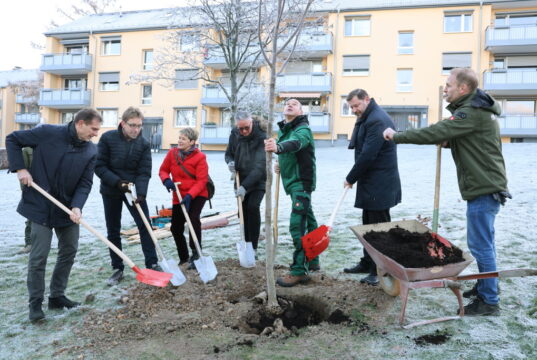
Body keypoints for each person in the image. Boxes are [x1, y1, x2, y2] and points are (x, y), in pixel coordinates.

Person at [383, 67, 509, 316]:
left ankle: (489, 301)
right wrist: (451, 141)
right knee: (486, 245)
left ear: (463, 88)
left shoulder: (471, 112)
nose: (445, 88)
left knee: (481, 246)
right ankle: (486, 286)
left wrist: (397, 136)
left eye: (449, 84)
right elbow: (470, 140)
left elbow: (436, 131)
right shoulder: (476, 111)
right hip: (485, 187)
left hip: (484, 189)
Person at [6, 108, 101, 323]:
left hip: (66, 208)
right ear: (80, 123)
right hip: (39, 205)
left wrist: (77, 206)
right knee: (39, 256)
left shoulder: (90, 151)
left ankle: (57, 296)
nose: (95, 133)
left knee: (69, 250)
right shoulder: (48, 133)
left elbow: (85, 183)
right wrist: (20, 168)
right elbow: (12, 139)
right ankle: (35, 305)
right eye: (93, 129)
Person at [342, 89, 402, 286]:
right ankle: (368, 262)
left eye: (356, 105)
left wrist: (351, 178)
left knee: (380, 229)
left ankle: (381, 270)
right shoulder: (367, 116)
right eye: (351, 107)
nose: (353, 110)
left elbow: (368, 154)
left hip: (380, 183)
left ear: (367, 99)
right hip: (371, 182)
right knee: (368, 226)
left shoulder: (377, 120)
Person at [95, 107, 160, 286]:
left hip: (133, 191)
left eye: (139, 126)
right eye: (132, 125)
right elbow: (99, 166)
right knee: (113, 229)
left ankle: (152, 263)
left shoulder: (143, 143)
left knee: (145, 225)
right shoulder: (107, 139)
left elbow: (144, 171)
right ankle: (117, 267)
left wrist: (141, 192)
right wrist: (117, 182)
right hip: (111, 189)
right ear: (123, 123)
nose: (136, 130)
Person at [265, 98, 319, 287]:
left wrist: (278, 147)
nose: (289, 104)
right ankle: (313, 261)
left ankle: (298, 271)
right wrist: (281, 163)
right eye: (287, 103)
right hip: (292, 183)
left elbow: (296, 144)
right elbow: (290, 153)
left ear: (301, 111)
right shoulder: (284, 130)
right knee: (309, 222)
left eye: (295, 104)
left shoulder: (302, 129)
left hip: (301, 184)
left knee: (297, 225)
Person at [159, 127, 208, 270]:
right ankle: (183, 256)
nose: (180, 141)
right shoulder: (172, 154)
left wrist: (190, 196)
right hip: (179, 195)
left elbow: (202, 181)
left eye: (184, 139)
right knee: (176, 227)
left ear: (192, 142)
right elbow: (163, 170)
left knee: (193, 219)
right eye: (179, 138)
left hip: (197, 194)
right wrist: (166, 180)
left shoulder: (200, 157)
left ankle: (196, 253)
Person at [225, 111, 267, 254]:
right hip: (240, 177)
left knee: (252, 207)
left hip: (258, 178)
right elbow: (229, 153)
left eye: (246, 128)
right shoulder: (235, 133)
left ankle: (253, 247)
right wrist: (230, 162)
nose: (243, 131)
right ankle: (246, 243)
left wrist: (245, 186)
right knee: (242, 212)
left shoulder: (261, 136)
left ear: (251, 123)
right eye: (240, 128)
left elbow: (260, 166)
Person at [18, 147, 34, 254]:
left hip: (51, 188)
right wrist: (25, 191)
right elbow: (22, 171)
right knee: (31, 218)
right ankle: (29, 243)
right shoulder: (27, 150)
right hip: (32, 189)